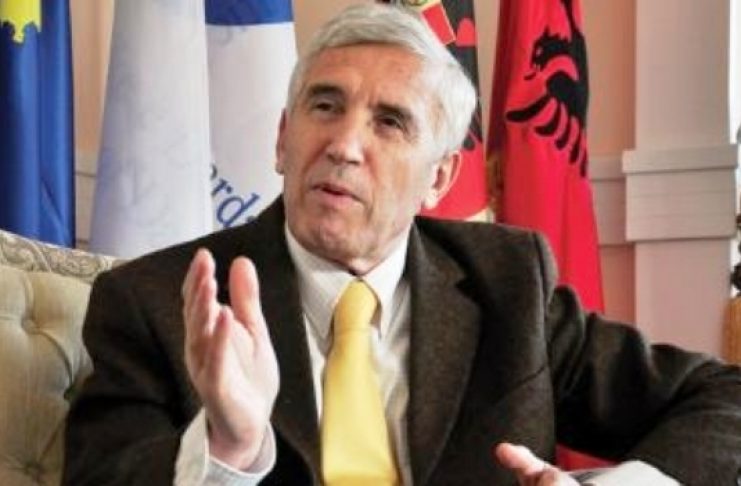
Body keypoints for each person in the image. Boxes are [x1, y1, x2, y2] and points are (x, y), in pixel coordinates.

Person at [63, 4, 741, 485]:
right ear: (282, 139)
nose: (344, 145)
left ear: (439, 178)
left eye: (389, 122)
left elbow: (720, 399)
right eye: (325, 107)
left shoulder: (507, 282)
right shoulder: (158, 299)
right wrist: (226, 448)